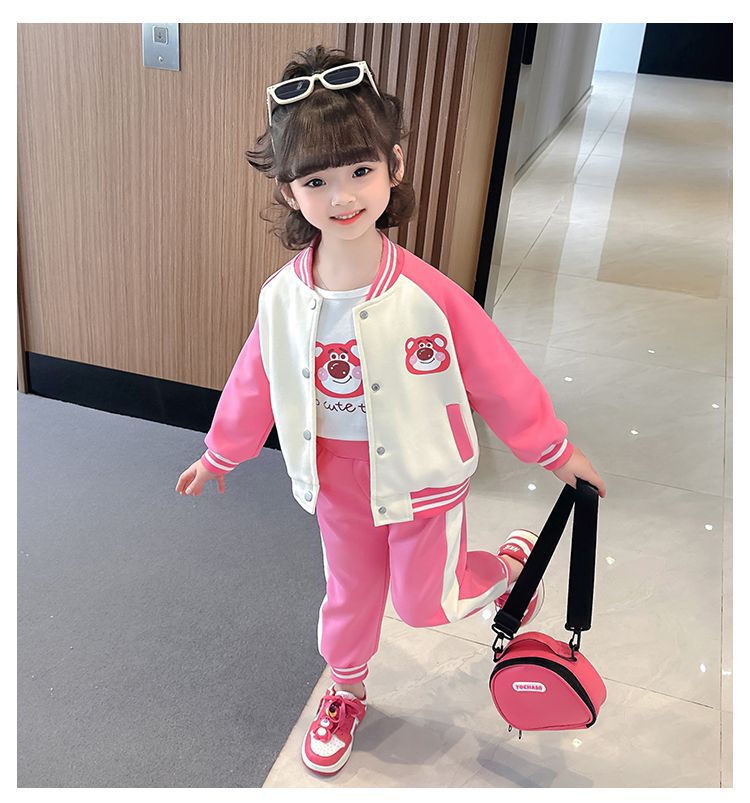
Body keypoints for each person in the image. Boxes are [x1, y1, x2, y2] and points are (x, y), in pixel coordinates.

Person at [175, 44, 606, 776]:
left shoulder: (427, 295)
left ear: (394, 165)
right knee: (350, 594)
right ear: (288, 191)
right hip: (335, 479)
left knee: (426, 602)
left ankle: (507, 570)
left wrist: (554, 450)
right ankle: (345, 693)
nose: (342, 197)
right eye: (316, 180)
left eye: (359, 171)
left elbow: (496, 373)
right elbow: (257, 378)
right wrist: (223, 451)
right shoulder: (283, 297)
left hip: (423, 472)